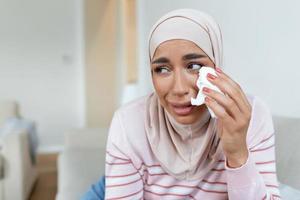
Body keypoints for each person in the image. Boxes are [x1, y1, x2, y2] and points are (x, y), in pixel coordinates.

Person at [84, 9, 281, 199]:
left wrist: (238, 153)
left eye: (194, 66)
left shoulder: (252, 115)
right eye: (162, 69)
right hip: (117, 184)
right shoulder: (128, 122)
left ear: (216, 64)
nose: (179, 89)